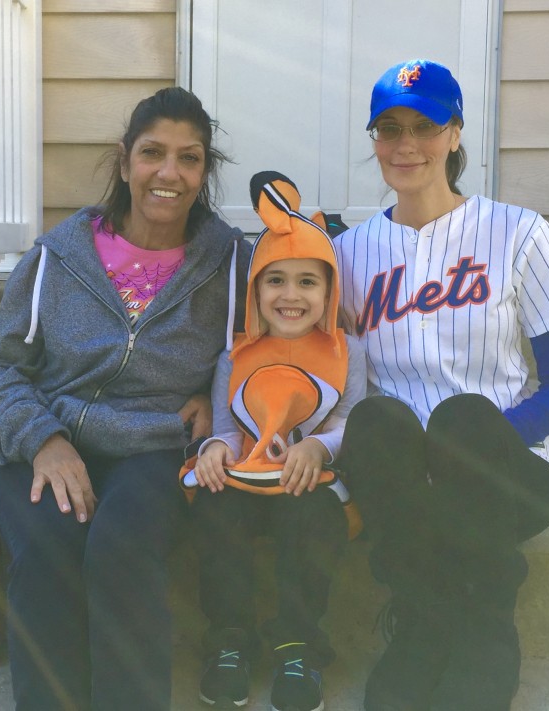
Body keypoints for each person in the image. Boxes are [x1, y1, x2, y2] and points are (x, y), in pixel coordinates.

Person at [0, 86, 251, 711]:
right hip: (41, 440)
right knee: (49, 550)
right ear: (124, 161)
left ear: (205, 172)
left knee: (121, 548)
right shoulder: (55, 257)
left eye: (190, 158)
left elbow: (267, 352)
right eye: (153, 153)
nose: (169, 174)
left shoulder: (230, 262)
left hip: (152, 446)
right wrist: (43, 442)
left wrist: (219, 399)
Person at [332, 59, 549, 711]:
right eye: (388, 128)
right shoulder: (347, 253)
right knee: (376, 419)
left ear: (454, 133)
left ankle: (485, 634)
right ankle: (421, 628)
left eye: (424, 126)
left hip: (500, 472)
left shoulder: (518, 232)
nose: (405, 145)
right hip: (398, 479)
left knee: (462, 418)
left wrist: (467, 449)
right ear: (373, 141)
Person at [181, 171, 366, 711]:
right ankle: (229, 643)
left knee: (312, 524)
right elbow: (223, 425)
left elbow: (351, 421)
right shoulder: (234, 358)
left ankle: (297, 647)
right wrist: (216, 450)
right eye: (275, 280)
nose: (290, 295)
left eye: (307, 282)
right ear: (255, 291)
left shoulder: (346, 353)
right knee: (216, 515)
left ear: (328, 291)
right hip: (247, 477)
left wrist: (321, 447)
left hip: (312, 482)